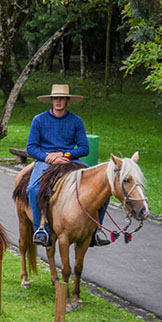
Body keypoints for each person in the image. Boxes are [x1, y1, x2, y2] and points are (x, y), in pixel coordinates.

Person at [26, 84, 109, 247]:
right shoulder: (39, 120)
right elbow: (31, 147)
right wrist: (48, 157)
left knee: (103, 186)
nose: (58, 101)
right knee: (33, 189)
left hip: (70, 160)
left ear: (67, 100)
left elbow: (84, 147)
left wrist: (66, 155)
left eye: (62, 98)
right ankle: (41, 230)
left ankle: (96, 229)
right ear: (51, 100)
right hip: (46, 161)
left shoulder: (76, 120)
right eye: (55, 98)